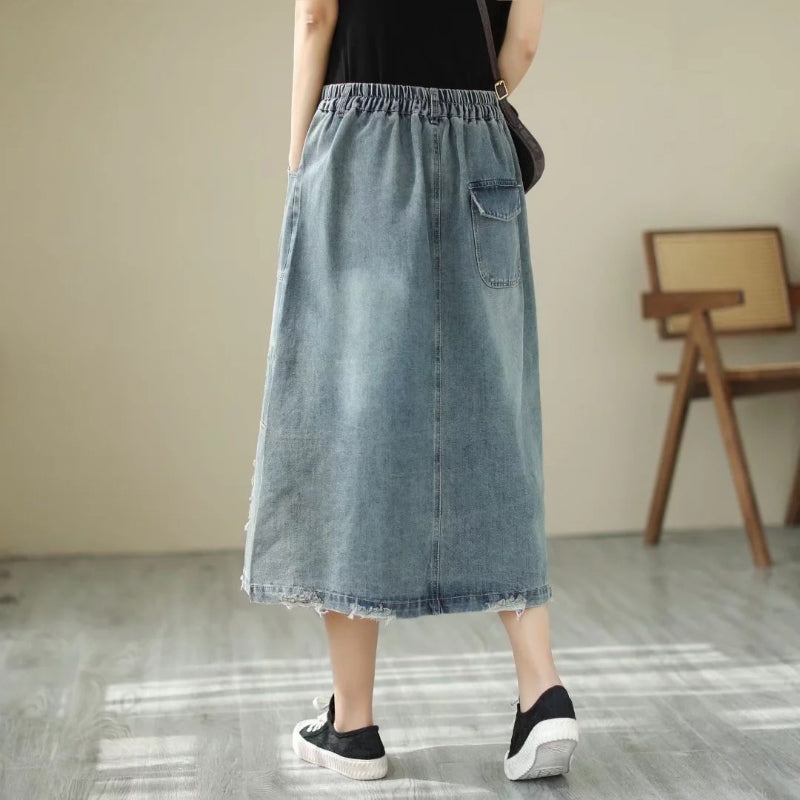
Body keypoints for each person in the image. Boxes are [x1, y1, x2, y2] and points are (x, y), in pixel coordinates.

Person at [240, 0, 579, 782]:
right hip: (478, 143)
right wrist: (463, 104)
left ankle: (353, 724)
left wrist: (300, 162)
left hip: (360, 142)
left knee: (346, 418)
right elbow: (523, 42)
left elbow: (316, 17)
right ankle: (543, 694)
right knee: (494, 417)